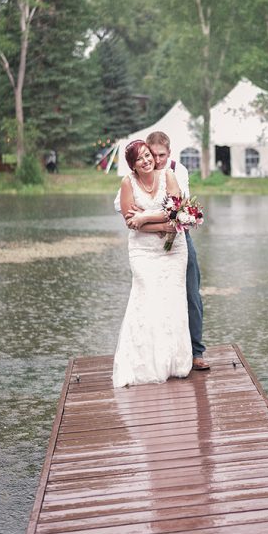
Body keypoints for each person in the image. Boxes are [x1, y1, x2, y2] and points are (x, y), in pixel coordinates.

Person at [114, 131, 209, 371]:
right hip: (147, 242)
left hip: (179, 236)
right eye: (150, 155)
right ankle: (153, 355)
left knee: (190, 292)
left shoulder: (178, 171)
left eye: (160, 155)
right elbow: (120, 205)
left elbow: (181, 209)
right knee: (154, 297)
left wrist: (146, 216)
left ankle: (196, 352)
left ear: (169, 153)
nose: (155, 160)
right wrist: (149, 219)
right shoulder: (135, 176)